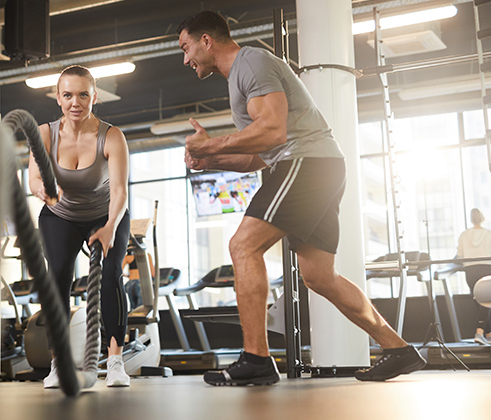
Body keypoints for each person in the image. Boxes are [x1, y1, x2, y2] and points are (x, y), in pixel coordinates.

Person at [177, 11, 426, 386]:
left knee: (242, 246)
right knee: (319, 276)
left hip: (306, 164)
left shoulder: (252, 63)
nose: (185, 59)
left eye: (185, 47)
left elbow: (274, 132)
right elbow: (258, 156)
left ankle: (256, 359)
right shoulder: (241, 76)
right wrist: (207, 158)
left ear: (206, 41)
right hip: (316, 165)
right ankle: (399, 349)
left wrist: (211, 144)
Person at [29, 65, 132, 388]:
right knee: (58, 274)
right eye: (68, 95)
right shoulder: (45, 133)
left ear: (94, 96)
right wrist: (43, 191)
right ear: (58, 98)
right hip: (59, 215)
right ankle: (58, 364)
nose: (76, 102)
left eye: (83, 94)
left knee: (111, 272)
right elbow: (33, 178)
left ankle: (115, 362)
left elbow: (119, 192)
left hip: (105, 212)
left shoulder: (111, 135)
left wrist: (111, 226)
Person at [457, 208, 491, 345]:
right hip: (486, 268)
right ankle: (479, 332)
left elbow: (460, 255)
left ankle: (488, 335)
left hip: (470, 269)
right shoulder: (489, 234)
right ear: (482, 218)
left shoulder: (464, 235)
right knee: (487, 301)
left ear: (471, 219)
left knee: (480, 301)